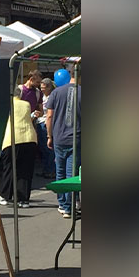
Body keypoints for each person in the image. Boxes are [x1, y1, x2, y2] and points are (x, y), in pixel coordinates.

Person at [45, 66, 81, 219]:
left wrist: (49, 135)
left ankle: (63, 204)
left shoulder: (56, 92)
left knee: (60, 171)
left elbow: (49, 116)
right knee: (71, 173)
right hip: (76, 138)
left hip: (59, 136)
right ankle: (69, 206)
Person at [0, 87, 38, 208]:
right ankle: (23, 199)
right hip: (30, 138)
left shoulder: (5, 105)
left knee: (10, 168)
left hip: (12, 138)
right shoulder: (26, 104)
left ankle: (5, 195)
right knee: (26, 170)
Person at [35, 78, 56, 178]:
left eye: (43, 88)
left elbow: (50, 114)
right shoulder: (42, 96)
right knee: (43, 148)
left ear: (48, 87)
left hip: (46, 123)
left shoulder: (52, 97)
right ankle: (45, 169)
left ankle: (50, 170)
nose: (41, 89)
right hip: (40, 122)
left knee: (48, 148)